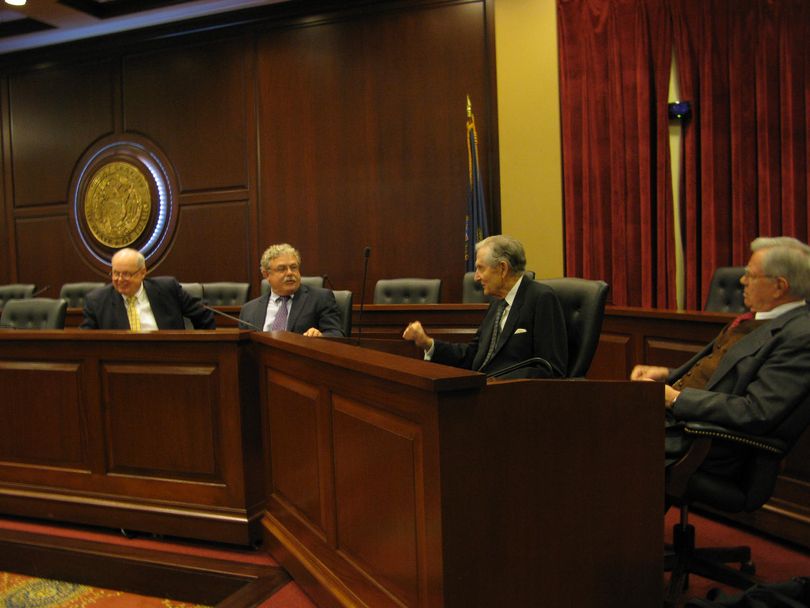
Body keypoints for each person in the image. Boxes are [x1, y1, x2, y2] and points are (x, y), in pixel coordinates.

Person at [631, 236, 810, 475]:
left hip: (705, 440)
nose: (742, 280)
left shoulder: (800, 336)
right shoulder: (752, 319)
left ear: (780, 286)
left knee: (597, 440)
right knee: (590, 419)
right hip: (677, 421)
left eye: (751, 275)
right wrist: (667, 374)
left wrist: (675, 399)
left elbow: (756, 411)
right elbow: (720, 372)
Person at [402, 234, 568, 378]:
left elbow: (549, 368)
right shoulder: (497, 303)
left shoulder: (541, 299)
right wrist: (428, 344)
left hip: (514, 399)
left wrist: (496, 382)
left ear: (502, 269)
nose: (476, 277)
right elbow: (473, 355)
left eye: (481, 268)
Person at [80, 248, 215, 330]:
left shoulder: (167, 289)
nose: (119, 280)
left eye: (126, 274)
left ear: (142, 273)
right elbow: (85, 342)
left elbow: (204, 314)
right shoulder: (96, 301)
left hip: (169, 359)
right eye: (115, 273)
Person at [239, 243, 344, 337]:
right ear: (266, 274)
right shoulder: (249, 309)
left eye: (294, 267)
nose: (290, 273)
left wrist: (320, 336)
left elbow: (337, 334)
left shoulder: (320, 299)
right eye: (282, 269)